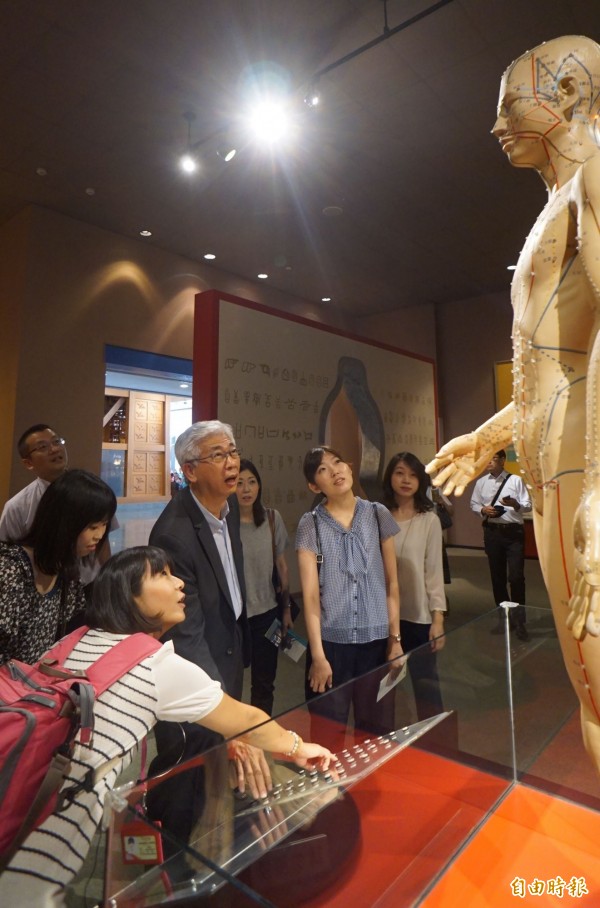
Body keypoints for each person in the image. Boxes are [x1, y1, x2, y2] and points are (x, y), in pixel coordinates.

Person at [426, 36, 600, 770]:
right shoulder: (565, 195)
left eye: (509, 106)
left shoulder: (593, 176)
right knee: (588, 683)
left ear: (564, 92)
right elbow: (551, 356)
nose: (497, 127)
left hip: (580, 458)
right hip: (553, 451)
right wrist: (491, 434)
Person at [0, 545, 333, 907]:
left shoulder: (73, 640)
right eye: (161, 575)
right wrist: (300, 748)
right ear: (130, 596)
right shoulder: (153, 665)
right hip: (46, 843)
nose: (179, 585)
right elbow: (247, 720)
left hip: (17, 800)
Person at [147, 421, 259, 832]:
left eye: (232, 452)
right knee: (187, 779)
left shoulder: (225, 510)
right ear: (190, 470)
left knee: (221, 777)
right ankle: (173, 868)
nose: (231, 463)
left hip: (225, 655)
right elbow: (186, 637)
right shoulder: (174, 533)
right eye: (218, 456)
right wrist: (226, 712)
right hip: (193, 676)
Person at [296, 446, 402, 743]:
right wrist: (318, 655)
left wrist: (395, 640)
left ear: (350, 468)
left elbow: (392, 584)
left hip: (377, 644)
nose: (335, 471)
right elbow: (310, 596)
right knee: (328, 733)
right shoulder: (311, 523)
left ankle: (368, 789)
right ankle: (331, 791)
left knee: (375, 733)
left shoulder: (377, 514)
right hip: (332, 646)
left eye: (338, 462)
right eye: (323, 469)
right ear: (315, 486)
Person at [0, 469, 116, 663]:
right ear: (64, 523)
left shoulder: (66, 570)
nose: (99, 535)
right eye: (93, 527)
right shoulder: (11, 571)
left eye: (104, 525)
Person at [0, 424, 114, 585]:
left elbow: (103, 542)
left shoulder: (93, 492)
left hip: (89, 583)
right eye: (42, 447)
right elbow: (7, 553)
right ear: (28, 463)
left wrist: (108, 577)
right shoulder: (17, 507)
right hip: (41, 589)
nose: (54, 449)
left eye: (57, 442)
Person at [382, 452, 446, 719]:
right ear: (390, 478)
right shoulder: (379, 516)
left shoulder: (429, 519)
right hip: (385, 617)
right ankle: (386, 738)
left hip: (418, 616)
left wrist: (437, 618)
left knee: (425, 683)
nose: (406, 480)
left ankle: (435, 740)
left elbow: (434, 572)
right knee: (386, 684)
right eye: (399, 472)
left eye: (412, 474)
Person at [236, 458, 292, 715]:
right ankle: (234, 742)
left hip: (268, 614)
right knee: (231, 683)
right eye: (239, 483)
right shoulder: (224, 525)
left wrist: (286, 610)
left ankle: (260, 735)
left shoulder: (271, 518)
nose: (246, 489)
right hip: (235, 619)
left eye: (252, 482)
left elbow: (282, 566)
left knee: (264, 682)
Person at [470, 450, 531, 639]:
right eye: (486, 459)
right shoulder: (481, 483)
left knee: (516, 577)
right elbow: (473, 503)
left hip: (513, 534)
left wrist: (515, 504)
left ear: (503, 460)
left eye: (493, 459)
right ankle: (504, 619)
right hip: (493, 533)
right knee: (497, 578)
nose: (488, 462)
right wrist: (483, 509)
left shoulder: (515, 481)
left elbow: (528, 505)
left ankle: (520, 622)